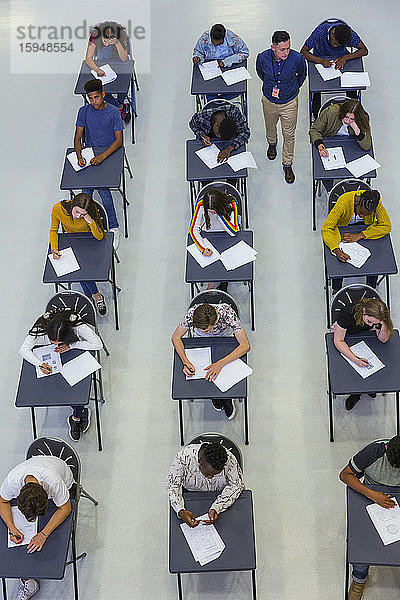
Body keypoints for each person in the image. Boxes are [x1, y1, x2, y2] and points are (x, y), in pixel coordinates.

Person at [20, 307, 103, 441]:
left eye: (59, 342)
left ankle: (76, 418)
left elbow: (97, 344)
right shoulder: (42, 324)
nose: (55, 344)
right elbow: (24, 349)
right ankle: (79, 412)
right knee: (59, 388)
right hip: (56, 358)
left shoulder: (76, 323)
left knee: (76, 390)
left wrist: (72, 345)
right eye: (53, 342)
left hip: (74, 353)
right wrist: (39, 364)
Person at [0, 455, 74, 600]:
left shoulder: (54, 483)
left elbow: (65, 508)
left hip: (63, 478)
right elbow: (3, 501)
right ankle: (28, 581)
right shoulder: (13, 480)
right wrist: (12, 527)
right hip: (38, 468)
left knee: (52, 541)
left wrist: (43, 534)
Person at [339, 436, 400, 599]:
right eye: (393, 465)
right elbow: (345, 475)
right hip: (370, 500)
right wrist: (372, 494)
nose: (395, 469)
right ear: (386, 450)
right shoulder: (373, 453)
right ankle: (359, 579)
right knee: (360, 546)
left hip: (397, 505)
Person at [171, 303, 250, 419]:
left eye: (207, 329)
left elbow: (245, 345)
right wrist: (185, 361)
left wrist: (220, 364)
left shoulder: (227, 313)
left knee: (223, 371)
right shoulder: (192, 313)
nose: (204, 332)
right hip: (201, 342)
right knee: (205, 372)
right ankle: (215, 396)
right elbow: (175, 337)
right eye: (200, 329)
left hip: (224, 339)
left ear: (215, 322)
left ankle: (226, 398)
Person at [74, 78, 124, 250]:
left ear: (103, 94)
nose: (93, 101)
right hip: (90, 154)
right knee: (84, 195)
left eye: (96, 97)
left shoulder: (113, 112)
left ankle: (114, 226)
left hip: (109, 154)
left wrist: (102, 157)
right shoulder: (83, 111)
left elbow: (119, 141)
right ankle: (87, 226)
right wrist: (80, 154)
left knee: (104, 193)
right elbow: (77, 137)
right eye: (90, 98)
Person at [256, 31, 306, 184]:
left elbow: (301, 76)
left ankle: (287, 163)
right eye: (282, 49)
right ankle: (272, 143)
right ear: (273, 47)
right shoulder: (262, 58)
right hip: (269, 101)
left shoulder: (297, 59)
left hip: (289, 103)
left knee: (289, 135)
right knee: (270, 126)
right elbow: (261, 74)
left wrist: (291, 89)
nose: (286, 52)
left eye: (288, 48)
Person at [321, 189, 391, 294]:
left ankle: (371, 289)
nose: (362, 216)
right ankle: (336, 289)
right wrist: (336, 250)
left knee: (374, 262)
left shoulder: (375, 203)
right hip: (343, 230)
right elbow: (326, 228)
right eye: (361, 212)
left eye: (367, 214)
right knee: (339, 263)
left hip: (364, 231)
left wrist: (361, 235)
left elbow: (386, 226)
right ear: (357, 202)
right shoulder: (344, 202)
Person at [50, 193, 107, 315]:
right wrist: (54, 249)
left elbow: (99, 236)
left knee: (82, 271)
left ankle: (91, 297)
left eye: (82, 214)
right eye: (76, 211)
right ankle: (97, 297)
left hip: (89, 244)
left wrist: (89, 220)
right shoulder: (58, 209)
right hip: (72, 243)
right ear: (73, 204)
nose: (77, 216)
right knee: (80, 270)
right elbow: (53, 230)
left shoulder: (88, 215)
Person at [333, 296, 393, 410]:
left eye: (374, 323)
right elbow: (338, 340)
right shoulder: (348, 313)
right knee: (352, 369)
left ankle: (369, 388)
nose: (371, 325)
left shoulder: (378, 317)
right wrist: (355, 359)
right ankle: (356, 393)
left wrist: (383, 323)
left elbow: (383, 339)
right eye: (369, 321)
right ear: (364, 311)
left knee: (375, 364)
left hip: (366, 338)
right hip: (347, 337)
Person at [300, 19, 368, 118]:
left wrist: (345, 57)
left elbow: (364, 50)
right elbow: (303, 51)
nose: (335, 46)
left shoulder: (349, 34)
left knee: (351, 87)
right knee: (317, 88)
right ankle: (316, 115)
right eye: (335, 43)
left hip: (342, 59)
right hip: (321, 57)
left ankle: (353, 110)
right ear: (332, 34)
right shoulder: (319, 32)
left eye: (339, 45)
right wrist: (320, 61)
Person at [167, 441, 244, 528]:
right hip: (192, 496)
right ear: (200, 461)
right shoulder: (182, 458)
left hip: (220, 494)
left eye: (216, 474)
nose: (210, 477)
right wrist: (180, 510)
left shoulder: (229, 461)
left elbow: (237, 485)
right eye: (207, 473)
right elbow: (173, 485)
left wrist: (217, 507)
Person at [310, 98, 372, 191]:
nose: (347, 121)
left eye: (352, 119)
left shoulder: (363, 119)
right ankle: (330, 191)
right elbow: (314, 130)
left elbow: (367, 146)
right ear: (343, 113)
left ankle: (351, 192)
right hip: (330, 144)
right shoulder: (331, 112)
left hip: (350, 149)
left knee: (359, 174)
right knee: (326, 174)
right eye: (346, 117)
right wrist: (320, 146)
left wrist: (357, 130)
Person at [190, 188, 239, 290]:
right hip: (209, 235)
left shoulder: (232, 203)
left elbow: (233, 232)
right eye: (210, 211)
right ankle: (211, 286)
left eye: (214, 211)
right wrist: (202, 248)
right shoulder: (201, 204)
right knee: (211, 259)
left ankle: (221, 284)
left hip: (226, 235)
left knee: (227, 260)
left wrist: (221, 215)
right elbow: (193, 229)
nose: (212, 213)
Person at [85, 21, 131, 123]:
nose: (106, 44)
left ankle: (117, 105)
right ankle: (121, 107)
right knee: (101, 91)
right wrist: (97, 69)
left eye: (109, 42)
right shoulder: (95, 36)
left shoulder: (121, 36)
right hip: (102, 66)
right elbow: (88, 58)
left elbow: (124, 59)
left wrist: (117, 43)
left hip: (119, 65)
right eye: (105, 41)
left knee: (123, 86)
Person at [193, 24, 249, 101]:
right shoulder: (204, 38)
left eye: (220, 42)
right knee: (210, 93)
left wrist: (227, 61)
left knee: (237, 91)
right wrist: (197, 57)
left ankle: (219, 102)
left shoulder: (232, 38)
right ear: (211, 36)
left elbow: (245, 52)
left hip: (229, 68)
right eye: (214, 41)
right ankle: (218, 105)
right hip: (212, 70)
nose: (216, 44)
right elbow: (198, 51)